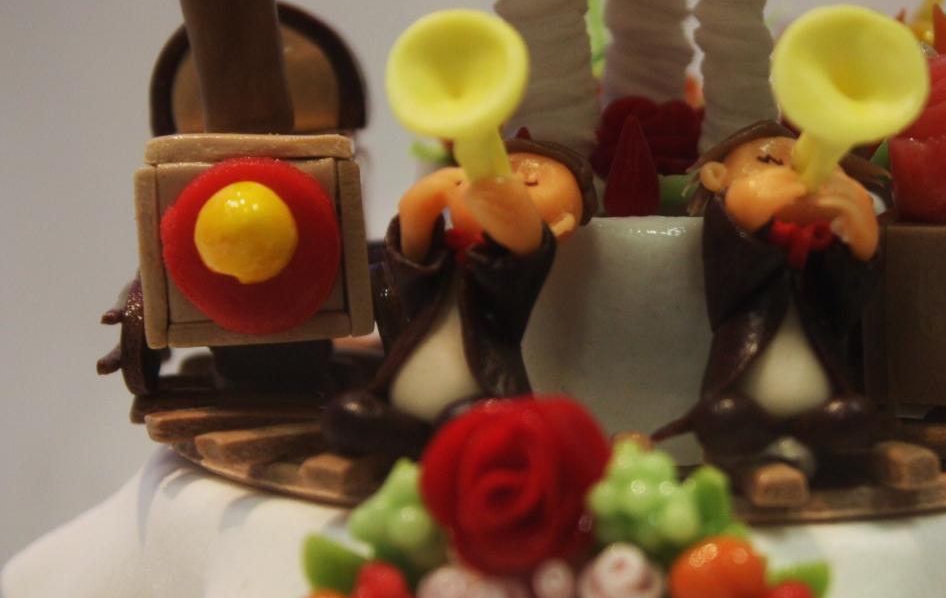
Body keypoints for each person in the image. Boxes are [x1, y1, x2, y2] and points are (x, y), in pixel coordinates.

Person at [323, 138, 596, 456]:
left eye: (530, 183)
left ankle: (440, 448)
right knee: (345, 415)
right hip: (403, 400)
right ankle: (421, 445)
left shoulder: (512, 276)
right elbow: (411, 276)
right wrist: (418, 210)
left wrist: (514, 214)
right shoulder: (447, 262)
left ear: (559, 226)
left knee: (467, 422)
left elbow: (523, 248)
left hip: (479, 400)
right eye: (493, 172)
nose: (503, 181)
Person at [657, 121, 888, 471]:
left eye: (813, 169)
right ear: (717, 177)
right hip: (745, 399)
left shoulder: (823, 253)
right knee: (721, 418)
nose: (796, 177)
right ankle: (767, 442)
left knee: (858, 416)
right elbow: (730, 284)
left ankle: (809, 439)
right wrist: (750, 209)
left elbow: (844, 310)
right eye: (769, 163)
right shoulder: (729, 242)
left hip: (821, 401)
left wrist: (862, 245)